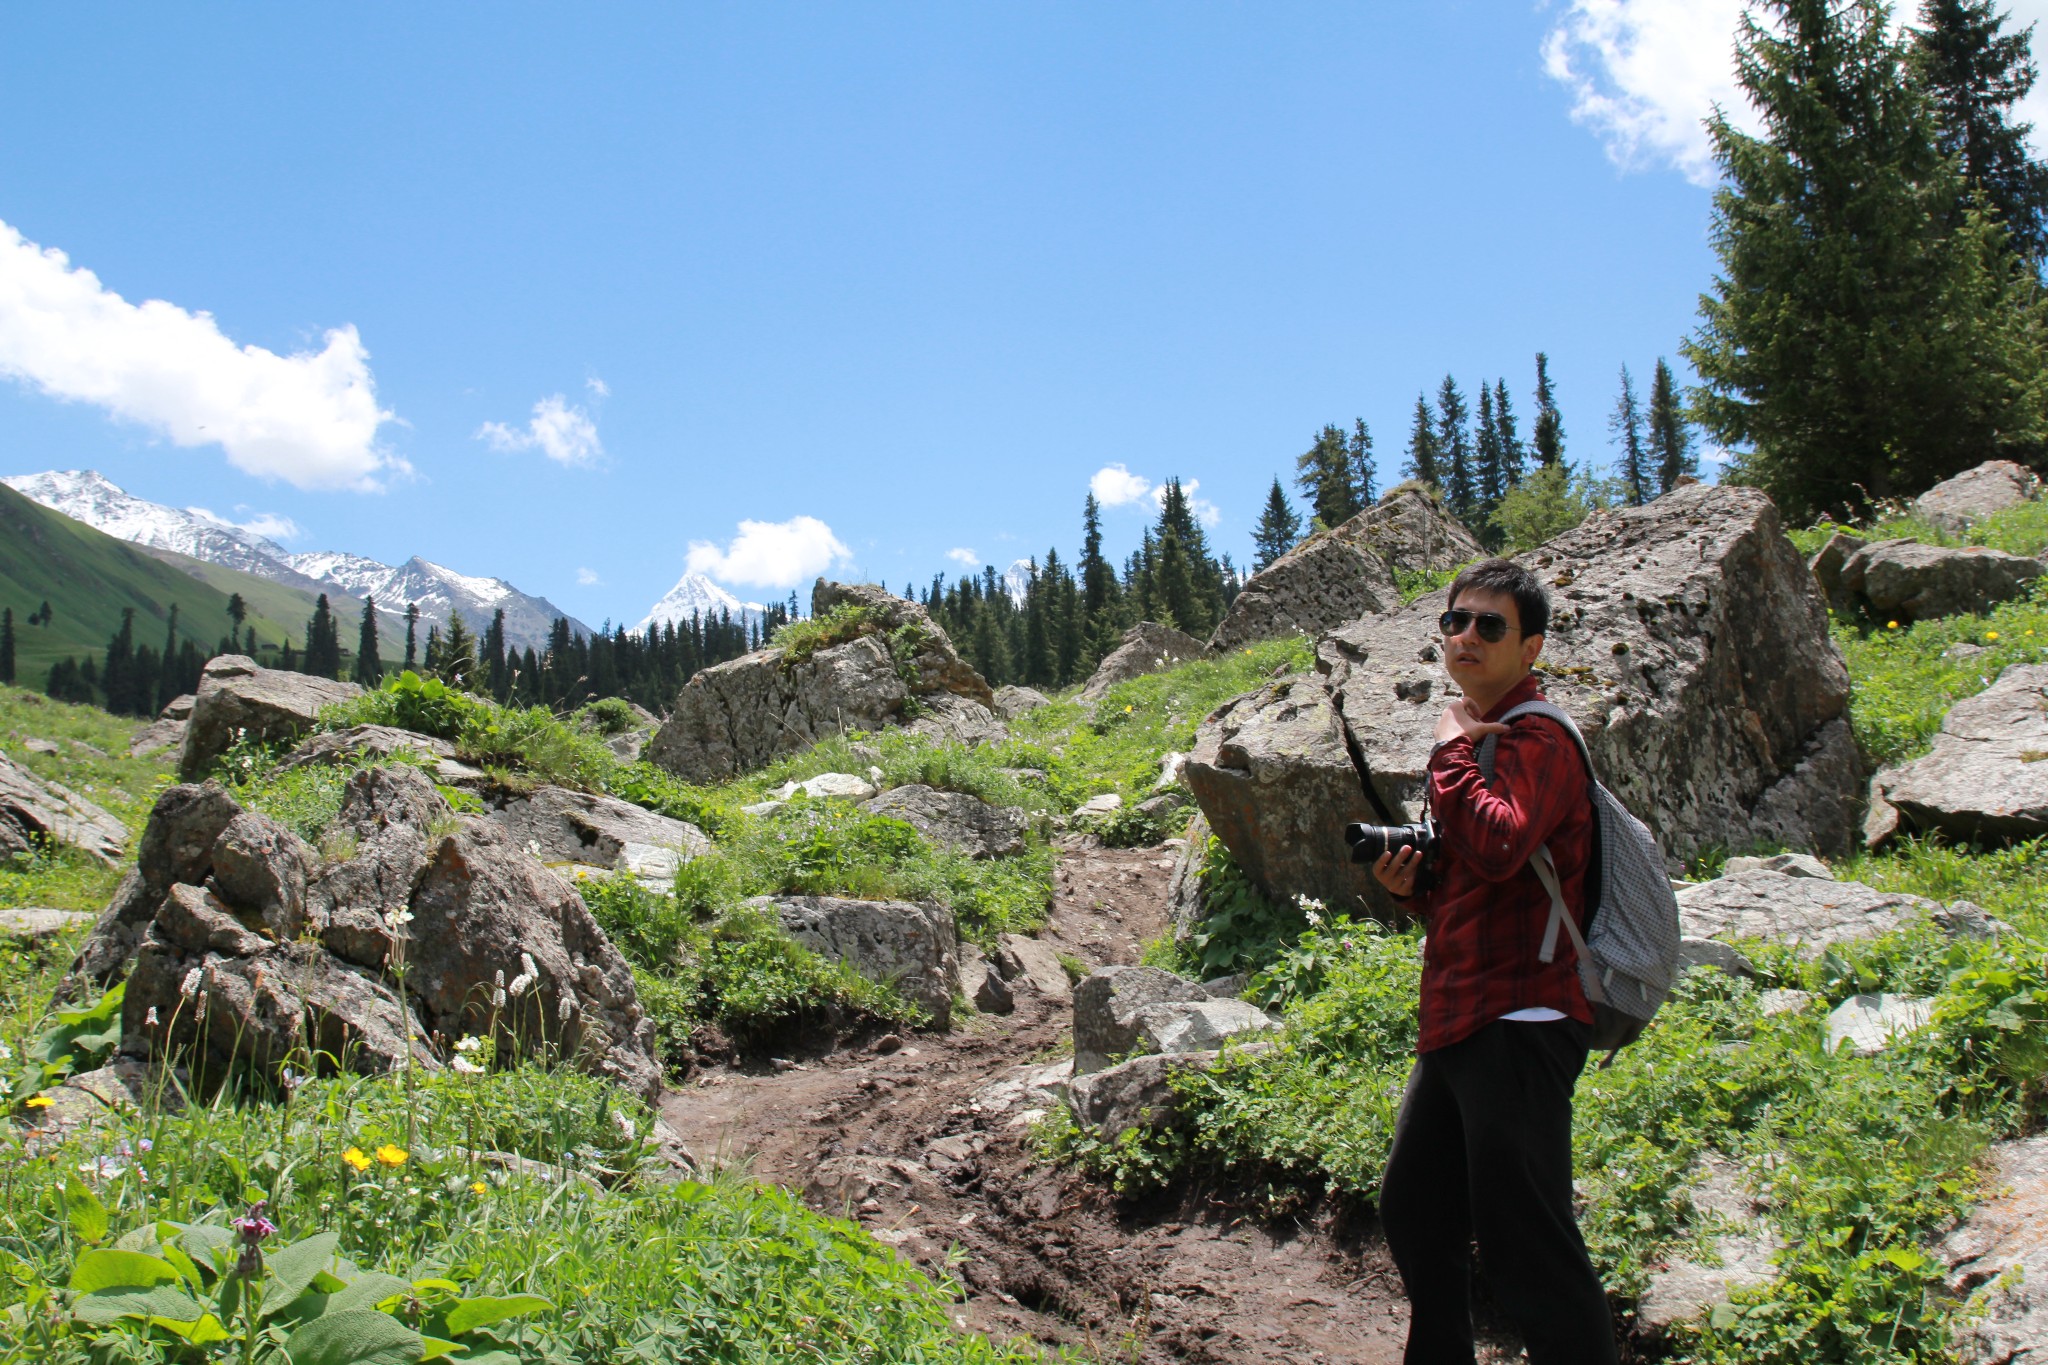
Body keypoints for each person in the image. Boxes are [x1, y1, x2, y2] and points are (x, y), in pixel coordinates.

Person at [1370, 557, 1617, 1365]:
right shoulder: (1483, 739)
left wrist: (1446, 750)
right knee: (1415, 1208)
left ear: (1531, 646)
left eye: (1489, 625)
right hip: (1464, 1014)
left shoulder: (1539, 735)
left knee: (1528, 1244)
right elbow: (1480, 882)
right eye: (1455, 621)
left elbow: (1505, 841)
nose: (1465, 636)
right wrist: (1413, 888)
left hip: (1523, 1017)